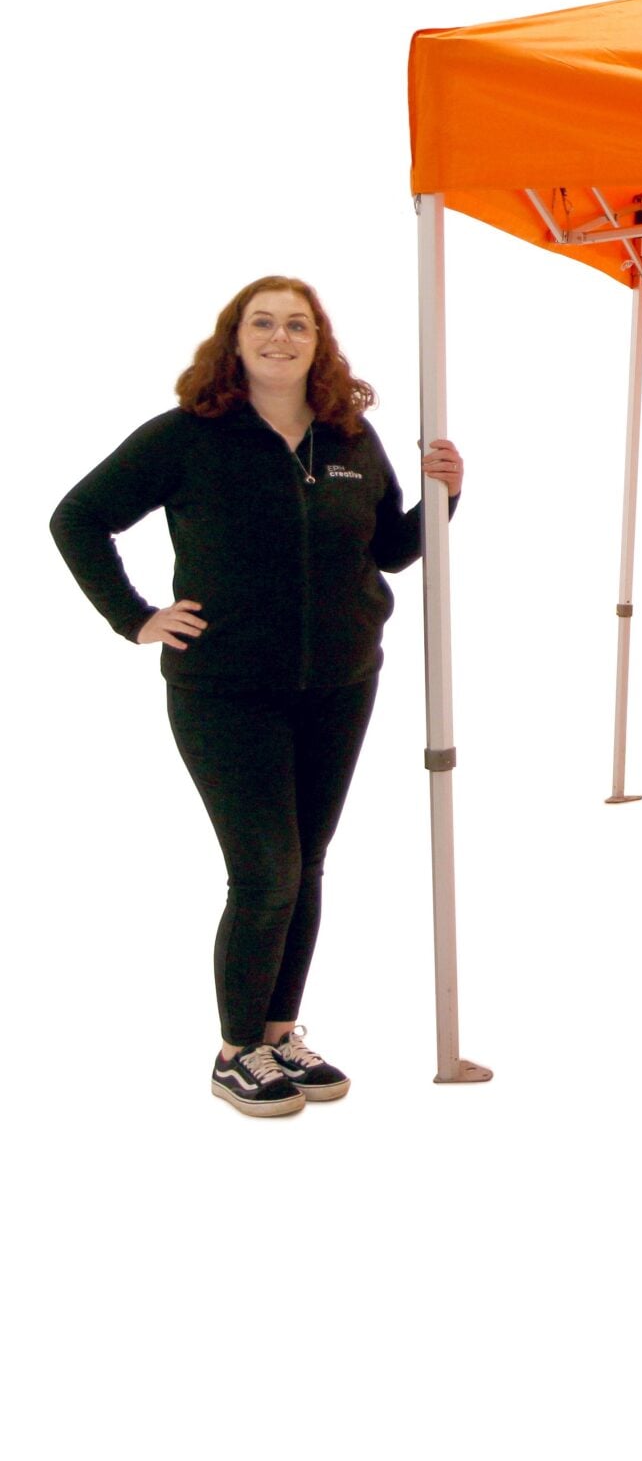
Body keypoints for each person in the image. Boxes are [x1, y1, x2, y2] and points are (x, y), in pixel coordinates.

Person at [50, 277, 464, 1117]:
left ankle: (279, 1034)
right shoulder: (188, 436)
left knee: (306, 864)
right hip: (226, 691)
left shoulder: (351, 437)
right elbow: (77, 518)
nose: (281, 336)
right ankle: (236, 1051)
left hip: (341, 684)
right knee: (266, 870)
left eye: (298, 324)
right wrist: (136, 618)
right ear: (234, 340)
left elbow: (389, 549)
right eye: (263, 323)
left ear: (320, 342)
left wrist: (445, 498)